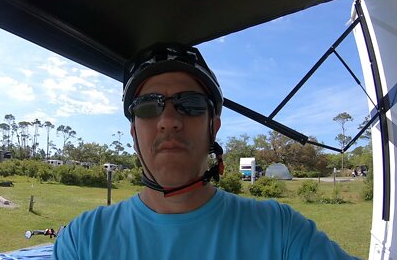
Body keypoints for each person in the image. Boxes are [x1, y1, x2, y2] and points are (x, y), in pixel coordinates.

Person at [52, 42, 358, 259]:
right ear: (134, 132)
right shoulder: (83, 240)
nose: (169, 121)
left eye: (191, 104)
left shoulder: (280, 231)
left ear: (214, 128)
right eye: (148, 107)